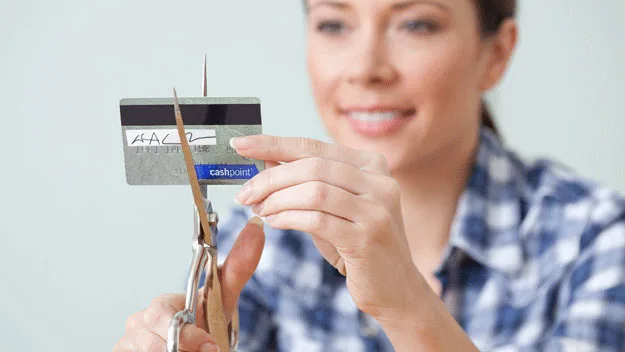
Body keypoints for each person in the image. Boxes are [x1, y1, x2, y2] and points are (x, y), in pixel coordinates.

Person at [114, 0, 625, 351]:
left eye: (417, 24)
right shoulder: (267, 240)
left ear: (495, 54)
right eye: (335, 23)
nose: (365, 68)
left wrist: (406, 305)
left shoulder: (598, 242)